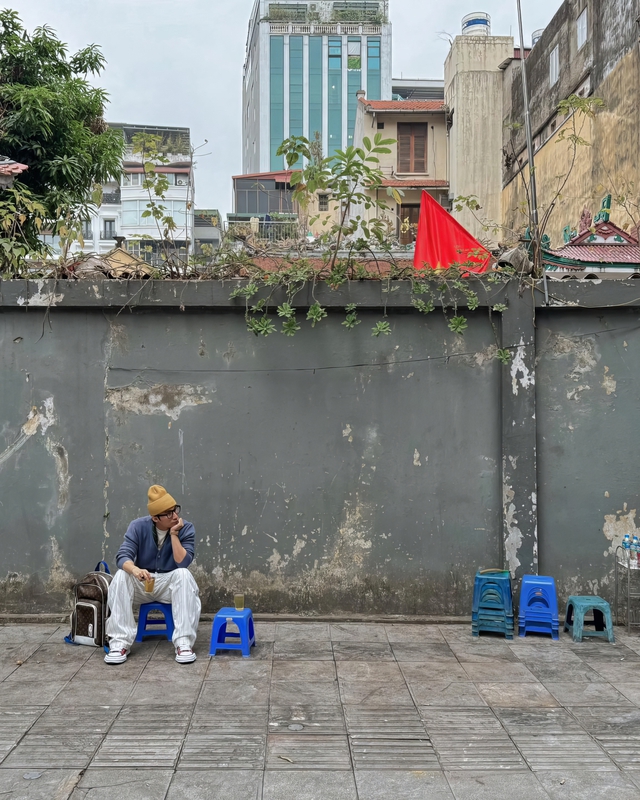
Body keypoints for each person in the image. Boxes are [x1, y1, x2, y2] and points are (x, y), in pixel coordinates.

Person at [104, 484, 201, 665]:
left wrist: (173, 535)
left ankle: (184, 643)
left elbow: (183, 562)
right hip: (143, 583)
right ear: (155, 518)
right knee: (121, 576)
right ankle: (119, 643)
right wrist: (135, 570)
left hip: (169, 584)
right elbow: (122, 555)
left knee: (184, 575)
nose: (175, 516)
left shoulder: (185, 528)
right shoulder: (138, 526)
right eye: (168, 513)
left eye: (175, 510)